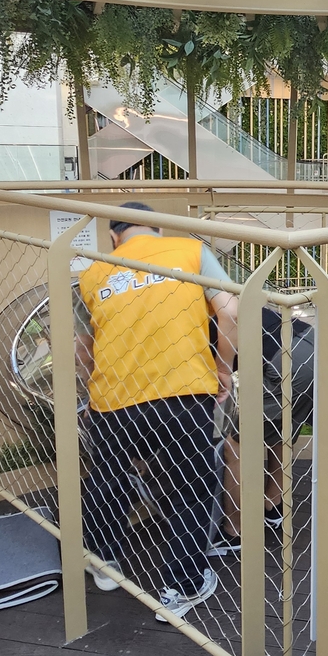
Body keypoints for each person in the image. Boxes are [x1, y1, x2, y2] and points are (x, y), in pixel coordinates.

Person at [77, 201, 238, 616]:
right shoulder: (188, 251)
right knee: (189, 485)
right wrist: (223, 370)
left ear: (115, 236)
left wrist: (94, 384)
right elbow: (231, 310)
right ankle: (183, 583)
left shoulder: (94, 271)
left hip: (114, 401)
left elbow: (84, 348)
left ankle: (103, 562)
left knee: (109, 477)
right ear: (156, 230)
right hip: (182, 392)